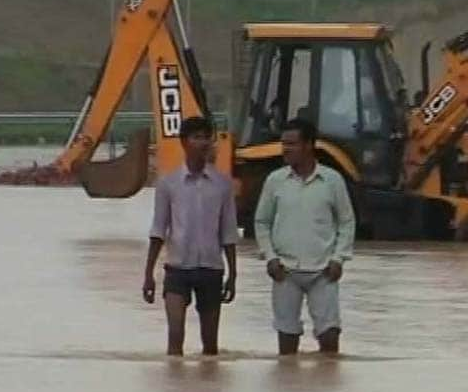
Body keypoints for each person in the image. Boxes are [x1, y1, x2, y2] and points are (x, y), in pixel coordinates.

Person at [254, 118, 356, 355]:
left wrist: (339, 258)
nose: (285, 149)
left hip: (324, 271)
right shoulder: (275, 181)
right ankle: (289, 387)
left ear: (309, 145)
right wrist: (270, 258)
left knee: (330, 337)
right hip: (285, 271)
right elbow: (261, 222)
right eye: (283, 144)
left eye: (292, 144)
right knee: (287, 341)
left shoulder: (332, 181)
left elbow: (347, 221)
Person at [142, 116, 238, 356]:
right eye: (197, 137)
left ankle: (208, 388)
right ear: (184, 142)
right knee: (175, 336)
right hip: (177, 269)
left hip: (210, 269)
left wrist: (233, 274)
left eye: (207, 137)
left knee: (210, 344)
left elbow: (228, 231)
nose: (203, 142)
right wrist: (148, 275)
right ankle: (175, 387)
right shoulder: (168, 183)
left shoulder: (222, 184)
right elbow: (158, 230)